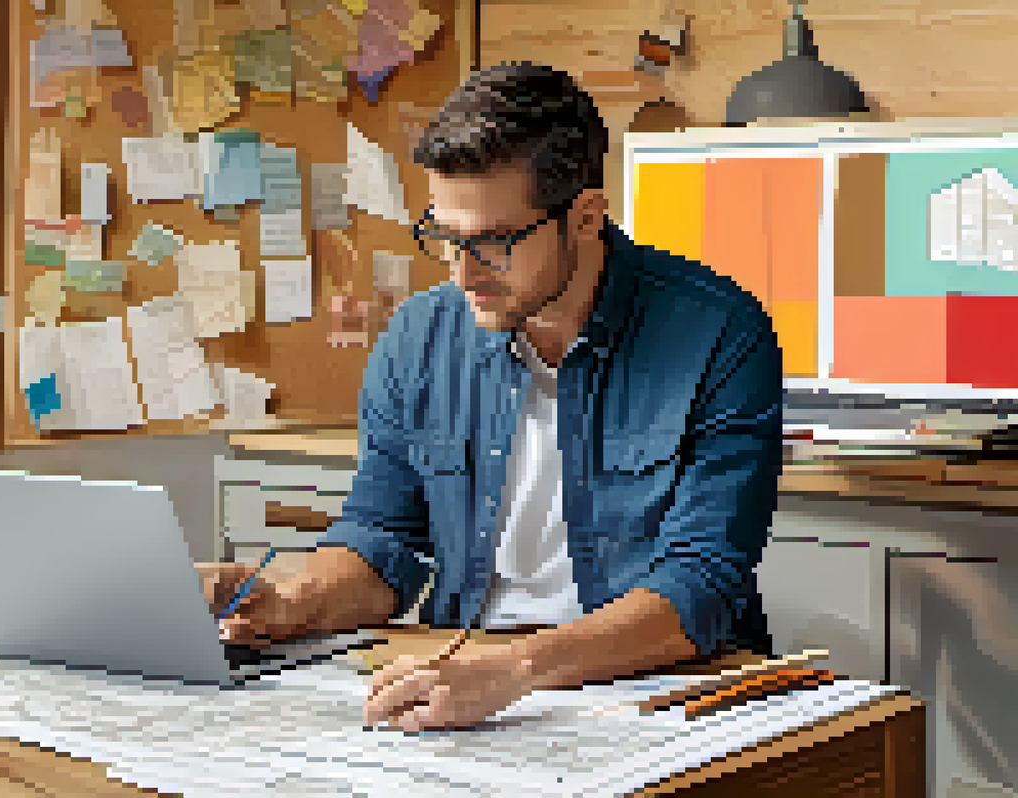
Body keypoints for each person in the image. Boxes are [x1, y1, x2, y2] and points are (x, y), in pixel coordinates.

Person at [198, 61, 781, 732]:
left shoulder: (721, 334)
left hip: (653, 695)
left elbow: (701, 585)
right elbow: (381, 536)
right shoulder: (418, 336)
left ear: (586, 216)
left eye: (493, 243)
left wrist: (516, 671)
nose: (462, 272)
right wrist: (293, 602)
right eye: (445, 238)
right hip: (463, 683)